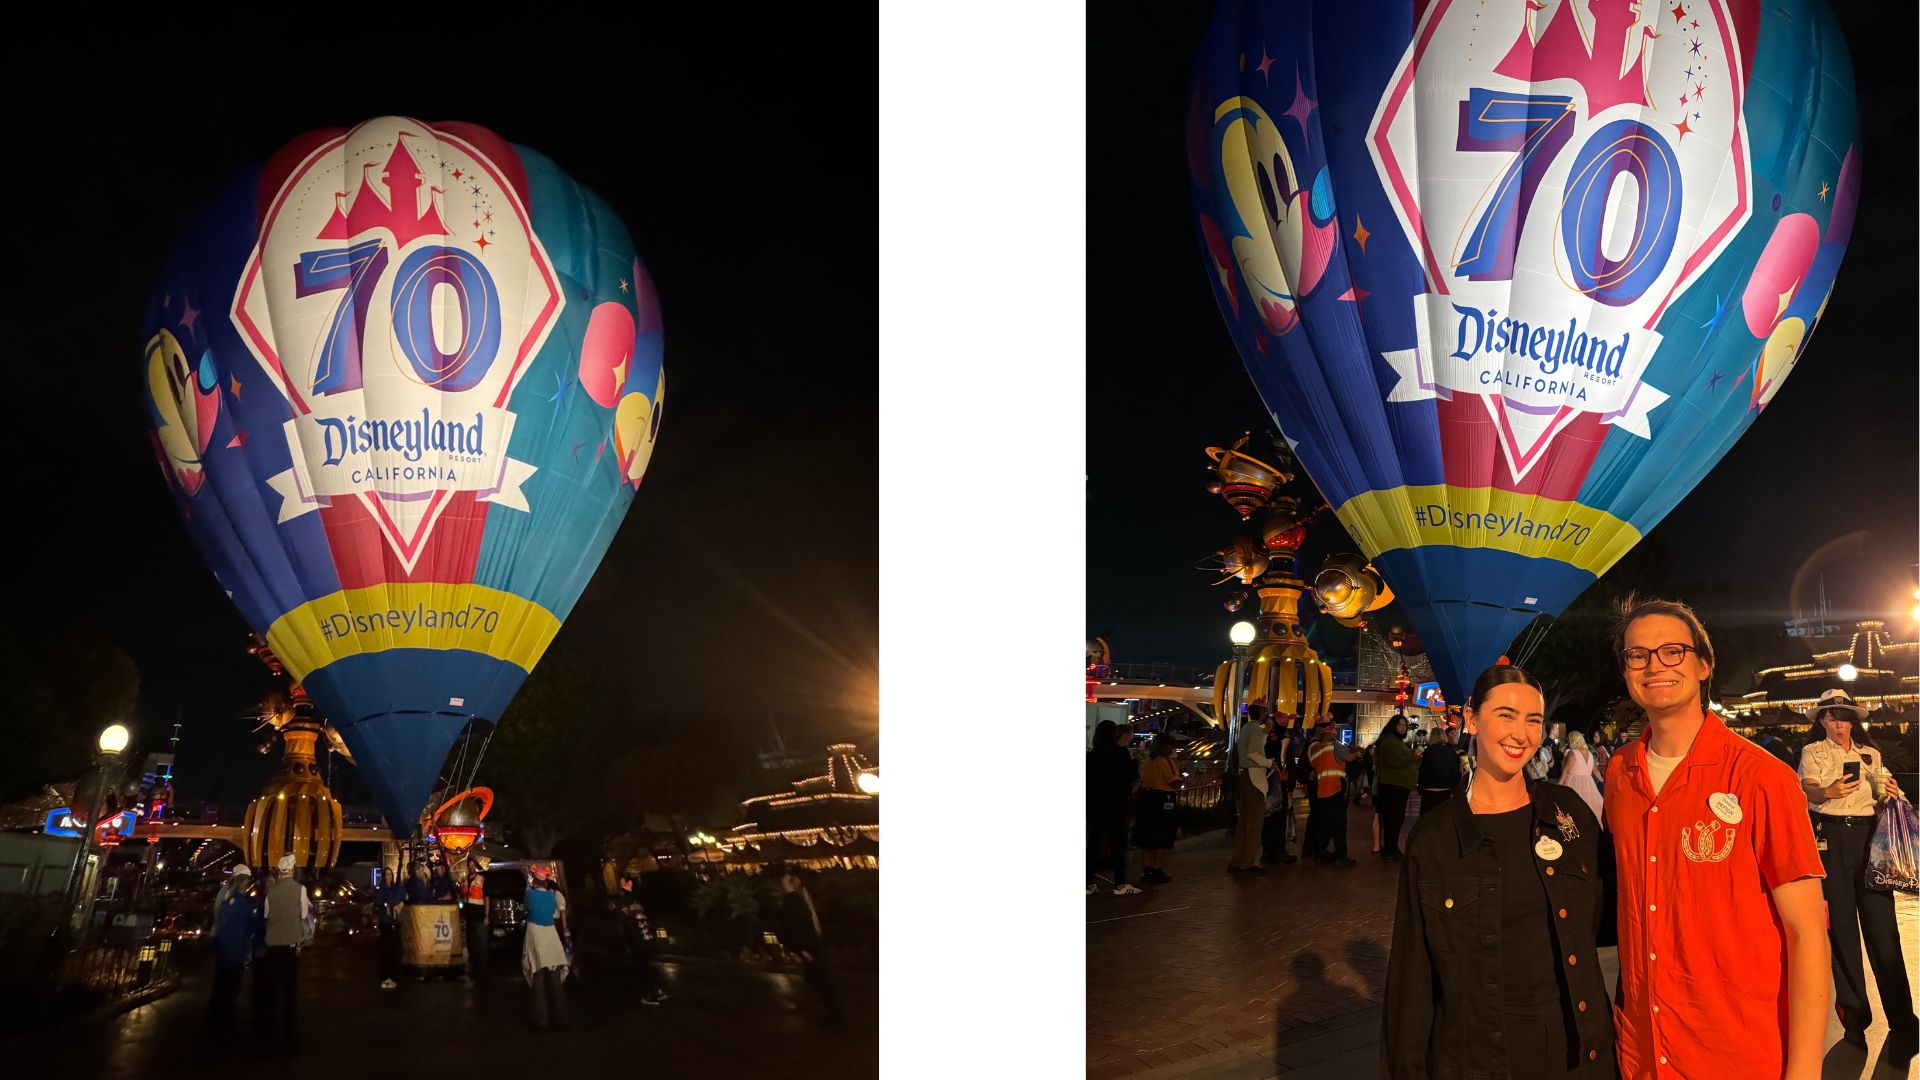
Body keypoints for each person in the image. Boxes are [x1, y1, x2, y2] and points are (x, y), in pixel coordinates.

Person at [1604, 598, 1828, 1080]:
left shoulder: (1762, 778)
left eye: (1672, 651)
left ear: (1704, 665)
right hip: (1643, 1050)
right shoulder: (1620, 773)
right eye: (1637, 655)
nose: (1654, 666)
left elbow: (1807, 933)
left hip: (1736, 1052)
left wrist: (1805, 1070)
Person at [1383, 664, 1613, 1078]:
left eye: (1533, 720)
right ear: (1471, 720)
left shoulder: (1568, 815)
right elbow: (1411, 982)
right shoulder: (1434, 840)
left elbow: (1608, 917)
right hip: (1479, 1058)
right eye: (1505, 715)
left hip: (1579, 1050)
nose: (1520, 734)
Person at [1798, 688, 1915, 1055]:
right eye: (1832, 717)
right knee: (1842, 932)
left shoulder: (1871, 755)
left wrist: (1890, 792)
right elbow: (1808, 791)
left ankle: (1902, 1018)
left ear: (1853, 721)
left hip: (1871, 840)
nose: (1839, 724)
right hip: (1831, 841)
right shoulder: (1811, 752)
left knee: (1884, 931)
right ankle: (1854, 1017)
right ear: (1821, 721)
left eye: (1844, 717)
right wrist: (1827, 791)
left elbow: (1883, 793)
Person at [776, 865, 846, 1029]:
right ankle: (833, 1015)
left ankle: (834, 1017)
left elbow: (794, 926)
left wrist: (802, 949)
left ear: (789, 884)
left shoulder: (792, 900)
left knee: (821, 982)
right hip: (816, 943)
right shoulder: (803, 898)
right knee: (822, 980)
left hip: (810, 946)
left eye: (785, 881)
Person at [256, 855, 312, 1052]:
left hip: (272, 946)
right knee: (290, 990)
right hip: (290, 946)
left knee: (271, 989)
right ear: (291, 869)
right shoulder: (301, 890)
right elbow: (304, 914)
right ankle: (289, 1031)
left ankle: (268, 1029)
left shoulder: (271, 892)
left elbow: (266, 915)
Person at [1086, 720, 1140, 895]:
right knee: (1118, 844)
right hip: (1115, 804)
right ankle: (1120, 883)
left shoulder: (1090, 756)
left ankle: (1087, 882)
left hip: (1094, 805)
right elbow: (1130, 776)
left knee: (1093, 843)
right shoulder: (1121, 754)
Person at [207, 864, 257, 1030]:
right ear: (244, 882)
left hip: (222, 945)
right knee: (231, 988)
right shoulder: (242, 902)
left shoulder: (225, 894)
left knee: (221, 984)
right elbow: (250, 926)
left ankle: (215, 1020)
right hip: (235, 948)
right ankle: (225, 1024)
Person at [521, 865, 572, 1031]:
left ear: (534, 880)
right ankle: (561, 1018)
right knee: (555, 979)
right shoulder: (552, 896)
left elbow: (527, 908)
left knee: (538, 978)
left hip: (535, 934)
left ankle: (541, 1020)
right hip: (551, 935)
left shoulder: (529, 894)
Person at [1227, 706, 1276, 875]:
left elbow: (1253, 747)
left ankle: (1237, 861)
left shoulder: (1247, 728)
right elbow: (1253, 754)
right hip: (1254, 777)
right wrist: (1270, 763)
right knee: (1254, 825)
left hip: (1243, 776)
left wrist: (1266, 732)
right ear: (1261, 714)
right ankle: (1247, 864)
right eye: (1265, 713)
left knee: (1243, 822)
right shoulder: (1255, 728)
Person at [1304, 718, 1356, 866]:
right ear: (1331, 734)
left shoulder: (1314, 749)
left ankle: (1320, 853)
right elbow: (1349, 758)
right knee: (1339, 824)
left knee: (1324, 823)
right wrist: (1358, 755)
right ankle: (1340, 855)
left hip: (1321, 790)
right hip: (1335, 788)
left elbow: (1314, 767)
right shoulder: (1334, 746)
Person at [1134, 735, 1183, 883]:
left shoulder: (1148, 761)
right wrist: (1181, 780)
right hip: (1163, 800)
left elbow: (1142, 779)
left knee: (1147, 836)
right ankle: (1157, 869)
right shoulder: (1165, 761)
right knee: (1161, 835)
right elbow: (1174, 782)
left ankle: (1147, 870)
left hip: (1148, 799)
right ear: (1167, 747)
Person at [613, 874, 669, 1004]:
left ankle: (651, 994)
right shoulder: (639, 899)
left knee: (643, 968)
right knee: (648, 967)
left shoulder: (626, 901)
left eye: (622, 882)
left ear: (629, 883)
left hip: (638, 939)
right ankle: (657, 991)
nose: (620, 885)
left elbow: (621, 920)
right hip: (646, 937)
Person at [1372, 715, 1417, 861]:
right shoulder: (1390, 742)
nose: (1403, 727)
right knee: (1393, 819)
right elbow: (1395, 761)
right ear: (1393, 726)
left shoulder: (1394, 741)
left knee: (1395, 819)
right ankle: (1390, 850)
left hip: (1398, 785)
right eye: (1400, 725)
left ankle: (1392, 848)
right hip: (1393, 786)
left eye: (1405, 725)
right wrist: (1413, 756)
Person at [1416, 726, 1463, 815]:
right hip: (1445, 791)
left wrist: (1420, 789)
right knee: (1443, 821)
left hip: (1429, 791)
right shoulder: (1451, 752)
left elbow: (1423, 772)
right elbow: (1456, 772)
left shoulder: (1428, 752)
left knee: (1427, 821)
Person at [1559, 731, 1603, 824]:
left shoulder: (1572, 753)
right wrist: (1602, 780)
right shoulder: (1590, 754)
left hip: (1573, 784)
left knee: (1573, 813)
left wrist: (1558, 787)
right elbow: (1595, 770)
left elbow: (1565, 771)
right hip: (1589, 785)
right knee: (1590, 811)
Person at [374, 865, 406, 990]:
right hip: (386, 924)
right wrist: (385, 905)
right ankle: (386, 977)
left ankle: (393, 977)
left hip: (395, 924)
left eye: (390, 874)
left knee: (395, 952)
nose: (388, 876)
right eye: (386, 874)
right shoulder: (381, 889)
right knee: (385, 952)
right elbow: (379, 902)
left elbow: (401, 897)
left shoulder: (395, 888)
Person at [461, 863, 489, 980]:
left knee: (481, 945)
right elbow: (463, 898)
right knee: (471, 945)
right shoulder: (465, 880)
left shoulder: (481, 879)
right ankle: (474, 970)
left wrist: (486, 916)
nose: (471, 867)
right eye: (469, 865)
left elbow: (487, 898)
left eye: (473, 865)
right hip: (469, 917)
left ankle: (482, 971)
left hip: (479, 916)